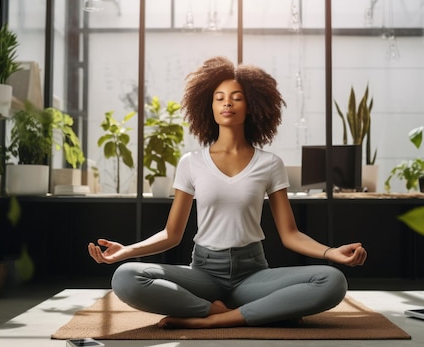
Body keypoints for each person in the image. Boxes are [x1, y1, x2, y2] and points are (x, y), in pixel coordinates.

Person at [87, 56, 367, 329]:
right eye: (219, 98)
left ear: (252, 105)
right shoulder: (191, 162)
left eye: (237, 97)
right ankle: (229, 310)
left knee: (332, 281)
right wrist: (126, 252)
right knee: (125, 277)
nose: (227, 103)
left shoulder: (269, 163)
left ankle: (220, 318)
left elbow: (290, 234)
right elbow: (171, 235)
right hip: (203, 274)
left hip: (253, 274)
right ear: (208, 106)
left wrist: (331, 253)